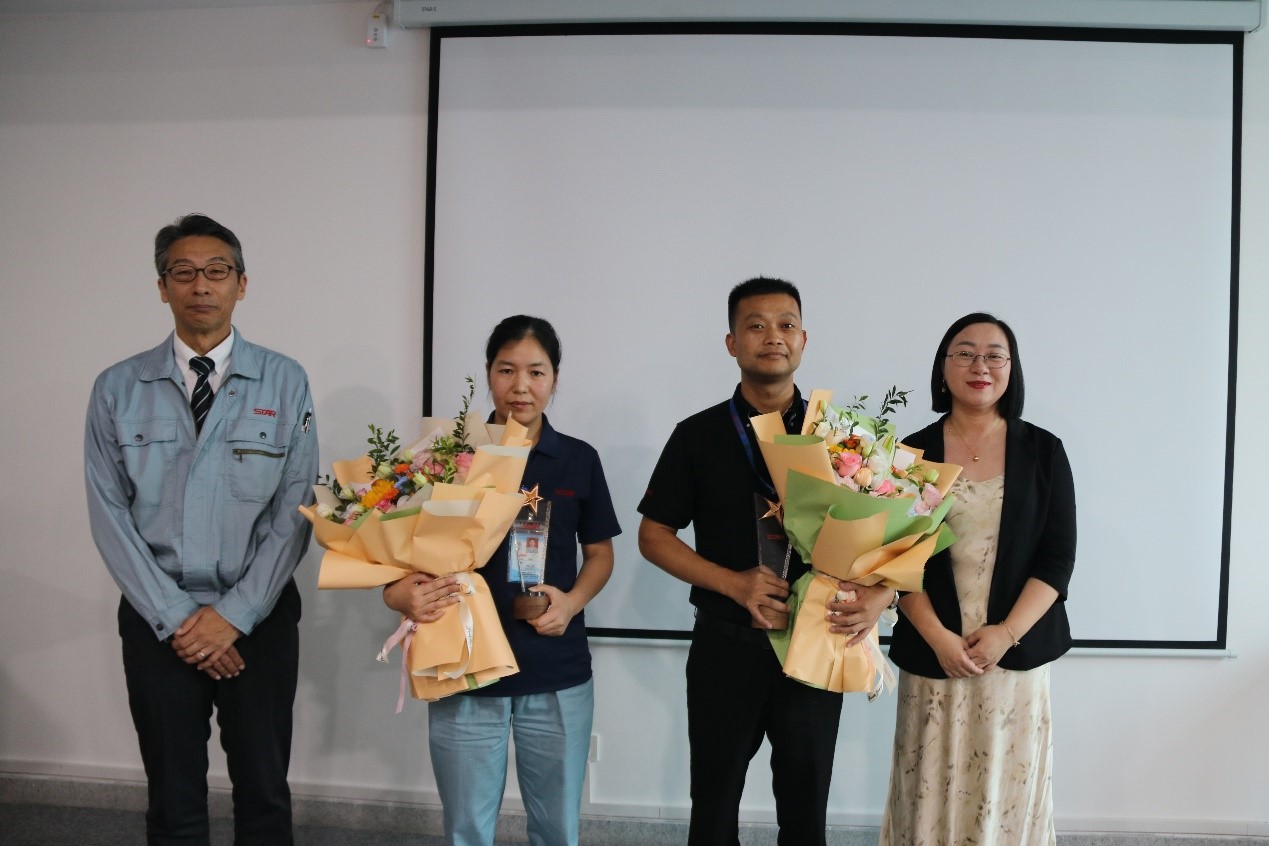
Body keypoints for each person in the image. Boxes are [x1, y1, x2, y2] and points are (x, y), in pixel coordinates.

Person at [84, 214, 318, 845]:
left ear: (242, 283)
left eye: (217, 270)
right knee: (173, 797)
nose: (201, 285)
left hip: (259, 618)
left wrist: (234, 615)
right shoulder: (117, 388)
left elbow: (296, 508)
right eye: (182, 272)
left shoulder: (285, 379)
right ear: (162, 287)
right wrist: (182, 620)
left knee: (264, 792)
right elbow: (108, 514)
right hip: (158, 621)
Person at [636, 277, 896, 846]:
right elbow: (653, 536)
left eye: (785, 325)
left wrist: (884, 593)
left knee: (805, 817)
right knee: (713, 812)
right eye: (755, 325)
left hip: (815, 643)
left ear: (803, 340)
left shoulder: (844, 440)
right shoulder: (697, 435)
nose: (772, 336)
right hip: (726, 648)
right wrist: (733, 584)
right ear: (732, 342)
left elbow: (889, 539)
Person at [384, 315, 620, 846]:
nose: (521, 386)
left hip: (555, 668)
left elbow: (600, 553)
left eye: (536, 372)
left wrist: (572, 602)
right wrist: (398, 595)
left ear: (554, 378)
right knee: (467, 828)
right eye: (506, 370)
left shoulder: (578, 459)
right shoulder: (446, 458)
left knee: (557, 828)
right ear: (488, 374)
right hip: (464, 665)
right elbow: (396, 555)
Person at [880, 312, 1077, 845]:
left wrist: (1005, 634)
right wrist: (939, 638)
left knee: (1005, 795)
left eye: (994, 355)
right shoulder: (910, 453)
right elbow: (894, 559)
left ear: (1012, 369)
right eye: (965, 353)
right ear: (943, 368)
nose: (980, 366)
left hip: (1014, 657)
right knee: (928, 791)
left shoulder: (1044, 451)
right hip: (934, 652)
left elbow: (1057, 559)